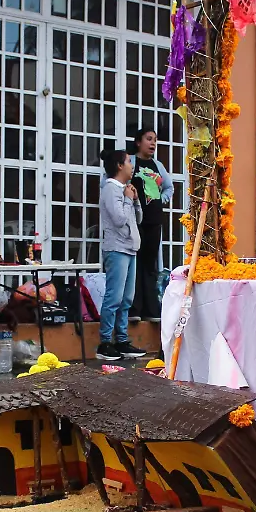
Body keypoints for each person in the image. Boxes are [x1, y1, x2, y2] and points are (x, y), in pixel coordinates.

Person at [96, 148, 148, 361]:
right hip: (116, 248)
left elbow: (138, 219)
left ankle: (122, 340)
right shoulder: (110, 188)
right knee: (114, 297)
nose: (131, 164)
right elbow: (118, 219)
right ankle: (105, 342)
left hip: (130, 248)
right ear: (119, 166)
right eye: (128, 161)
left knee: (126, 298)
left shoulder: (125, 189)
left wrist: (134, 200)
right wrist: (127, 199)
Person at [128, 128, 175, 321]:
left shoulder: (157, 165)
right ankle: (134, 309)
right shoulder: (130, 161)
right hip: (136, 221)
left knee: (150, 265)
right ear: (138, 142)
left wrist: (160, 200)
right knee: (135, 264)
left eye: (155, 140)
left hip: (154, 221)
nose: (153, 143)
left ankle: (151, 310)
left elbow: (169, 186)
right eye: (149, 139)